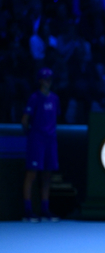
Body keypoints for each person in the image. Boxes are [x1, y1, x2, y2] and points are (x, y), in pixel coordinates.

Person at [22, 68, 60, 222]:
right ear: (40, 81)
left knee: (47, 174)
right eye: (45, 79)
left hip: (51, 139)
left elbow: (55, 118)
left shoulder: (55, 99)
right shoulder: (34, 98)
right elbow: (25, 120)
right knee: (32, 174)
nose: (48, 82)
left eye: (50, 79)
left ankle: (45, 209)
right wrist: (32, 135)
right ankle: (27, 210)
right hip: (37, 138)